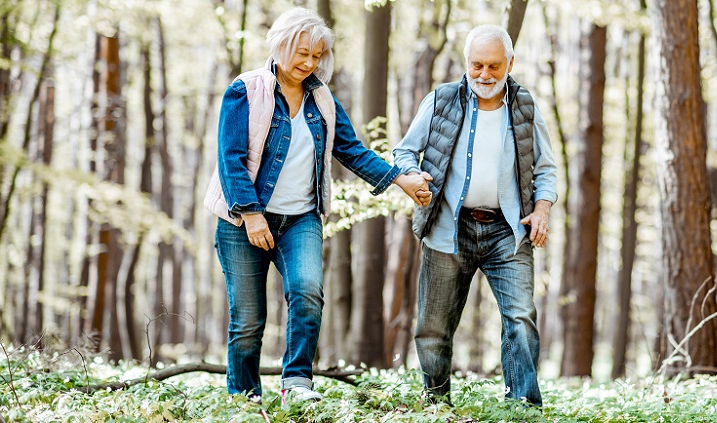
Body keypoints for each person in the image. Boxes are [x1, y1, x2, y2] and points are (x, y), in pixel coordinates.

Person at [203, 7, 432, 405]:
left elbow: (353, 150)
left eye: (317, 56)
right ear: (280, 46)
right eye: (302, 53)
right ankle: (243, 399)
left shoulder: (321, 98)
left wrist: (402, 179)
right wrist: (252, 214)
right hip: (243, 222)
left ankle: (296, 383)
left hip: (300, 219)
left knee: (307, 292)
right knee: (248, 320)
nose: (309, 63)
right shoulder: (246, 90)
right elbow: (230, 159)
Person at [393, 24, 558, 407]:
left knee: (520, 319)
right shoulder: (441, 100)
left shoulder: (525, 106)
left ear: (510, 63)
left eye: (494, 66)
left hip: (508, 230)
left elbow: (546, 169)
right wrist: (412, 176)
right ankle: (436, 405)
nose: (485, 75)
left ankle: (523, 408)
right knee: (433, 327)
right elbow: (404, 152)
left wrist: (542, 210)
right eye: (477, 65)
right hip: (450, 226)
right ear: (466, 63)